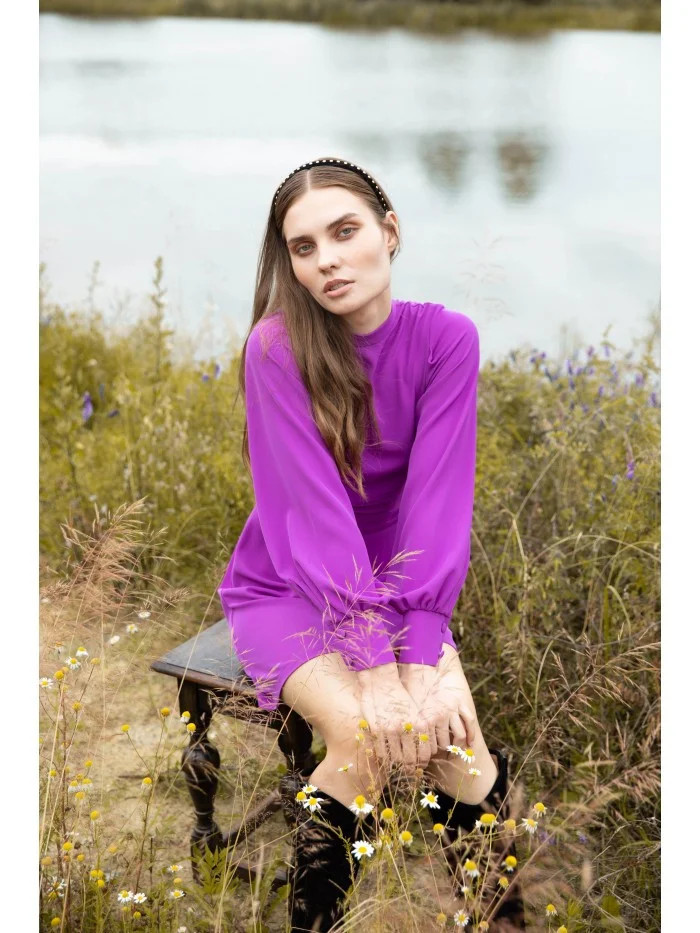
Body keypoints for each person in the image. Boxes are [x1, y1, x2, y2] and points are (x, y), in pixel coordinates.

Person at [218, 157, 526, 931]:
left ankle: (501, 920)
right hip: (288, 583)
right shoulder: (276, 349)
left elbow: (437, 504)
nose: (326, 259)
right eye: (304, 246)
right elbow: (312, 517)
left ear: (390, 231)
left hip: (398, 581)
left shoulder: (446, 339)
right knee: (365, 734)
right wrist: (375, 671)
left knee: (457, 741)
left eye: (344, 231)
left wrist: (419, 654)